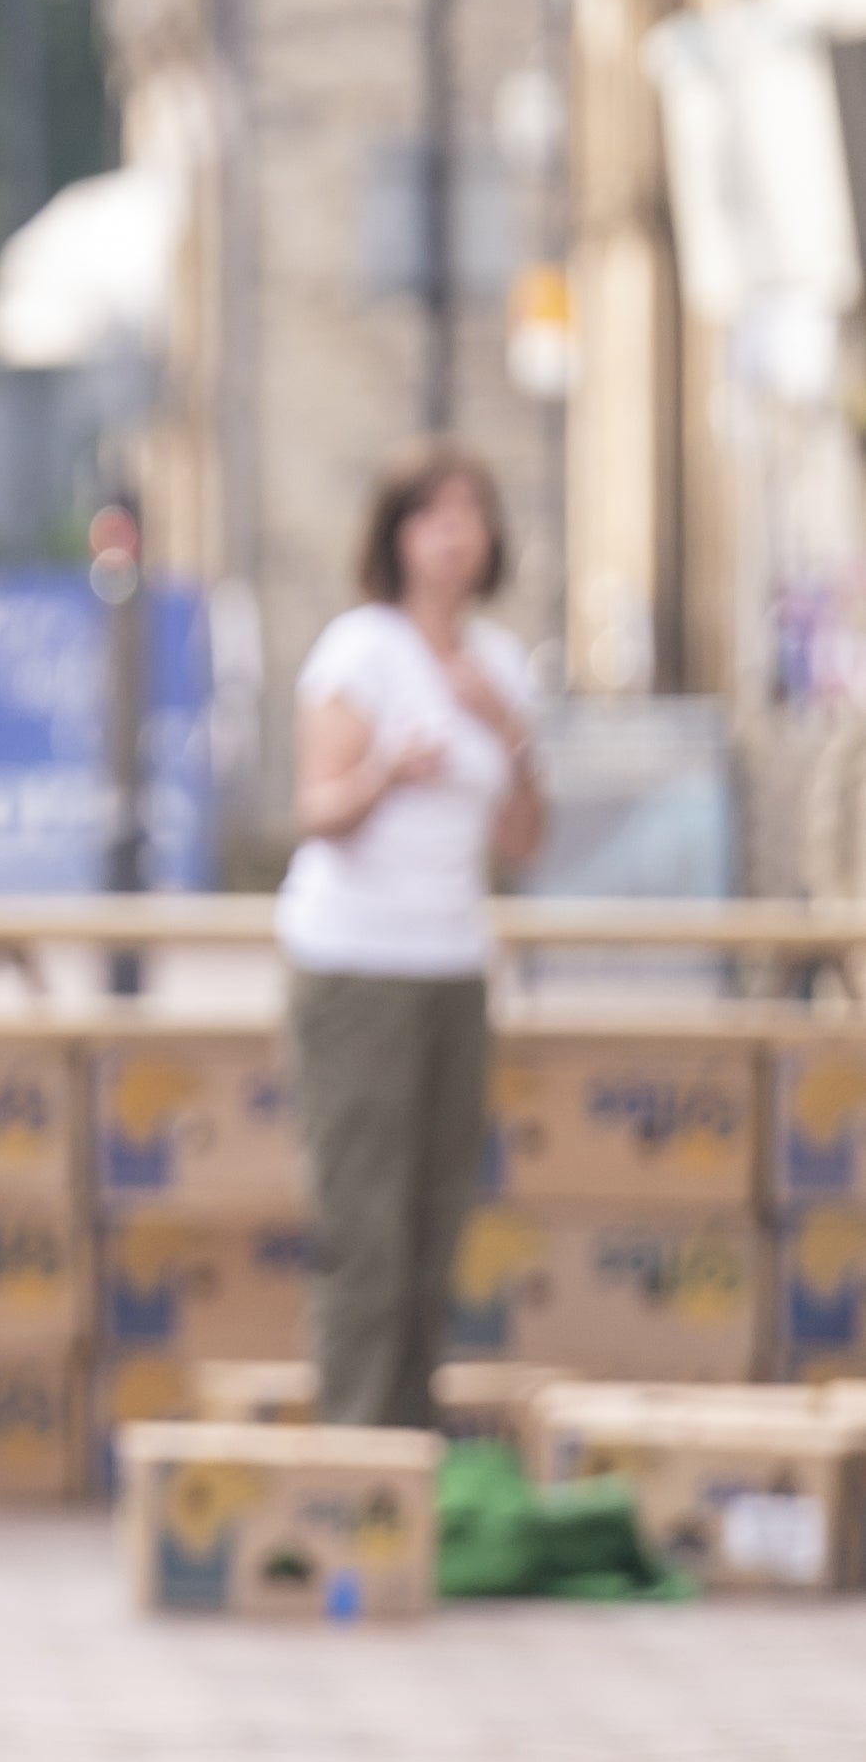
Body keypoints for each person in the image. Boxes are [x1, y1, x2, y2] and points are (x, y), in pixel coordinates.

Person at [283, 446, 543, 1429]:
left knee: (436, 1222)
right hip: (355, 961)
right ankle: (354, 1455)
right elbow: (316, 808)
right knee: (363, 1225)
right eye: (432, 515)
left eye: (470, 515)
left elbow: (521, 840)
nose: (453, 534)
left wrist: (506, 730)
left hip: (451, 961)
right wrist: (387, 771)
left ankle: (409, 1441)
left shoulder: (498, 665)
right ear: (395, 536)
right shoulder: (359, 651)